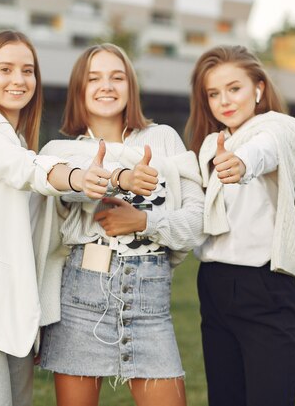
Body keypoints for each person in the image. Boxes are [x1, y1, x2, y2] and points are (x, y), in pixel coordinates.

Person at [0, 30, 106, 406]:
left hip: (13, 318)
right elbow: (27, 169)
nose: (19, 80)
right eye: (5, 69)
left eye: (28, 71)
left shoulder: (16, 140)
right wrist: (77, 176)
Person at [31, 43, 205, 406]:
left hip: (149, 305)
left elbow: (196, 223)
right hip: (81, 302)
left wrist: (143, 220)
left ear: (131, 86)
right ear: (79, 90)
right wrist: (122, 177)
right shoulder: (60, 153)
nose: (106, 86)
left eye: (117, 77)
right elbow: (77, 188)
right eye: (93, 78)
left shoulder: (163, 139)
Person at [184, 45, 295, 406]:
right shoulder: (210, 145)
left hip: (263, 287)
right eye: (213, 93)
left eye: (234, 88)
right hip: (214, 286)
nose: (224, 100)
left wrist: (240, 163)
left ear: (258, 88)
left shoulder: (276, 129)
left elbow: (273, 146)